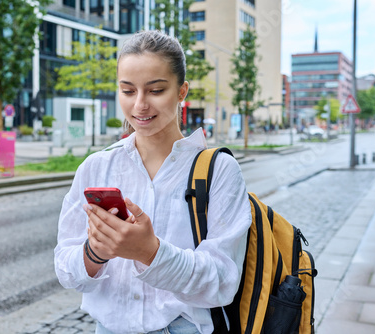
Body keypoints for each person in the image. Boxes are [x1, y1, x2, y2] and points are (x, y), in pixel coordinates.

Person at [54, 30, 252, 334]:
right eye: (128, 90)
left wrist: (151, 252)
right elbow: (66, 269)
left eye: (156, 90)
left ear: (182, 91)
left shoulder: (219, 170)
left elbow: (222, 281)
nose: (140, 105)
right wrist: (95, 252)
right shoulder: (96, 167)